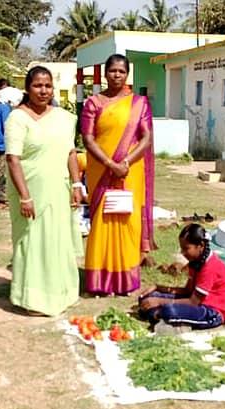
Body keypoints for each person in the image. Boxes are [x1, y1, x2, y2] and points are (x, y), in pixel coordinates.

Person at [4, 66, 83, 316]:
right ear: (27, 88)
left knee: (58, 239)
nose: (43, 90)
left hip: (58, 189)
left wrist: (76, 184)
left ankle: (63, 293)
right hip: (30, 192)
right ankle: (33, 299)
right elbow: (12, 159)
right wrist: (25, 196)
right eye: (38, 85)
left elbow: (70, 153)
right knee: (34, 243)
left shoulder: (63, 118)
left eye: (48, 85)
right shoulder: (17, 118)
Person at [81, 53, 156, 296]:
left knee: (127, 221)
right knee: (102, 221)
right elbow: (88, 138)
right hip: (101, 169)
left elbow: (146, 137)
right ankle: (100, 281)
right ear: (105, 73)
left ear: (127, 75)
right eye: (113, 71)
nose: (117, 75)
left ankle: (125, 281)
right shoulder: (93, 103)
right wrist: (110, 164)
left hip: (130, 171)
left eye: (121, 71)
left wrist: (124, 163)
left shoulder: (139, 103)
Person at [137, 224, 225, 332]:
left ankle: (158, 315)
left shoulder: (211, 266)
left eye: (186, 248)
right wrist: (157, 288)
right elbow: (187, 291)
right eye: (182, 248)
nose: (182, 253)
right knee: (147, 297)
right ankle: (158, 316)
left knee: (169, 310)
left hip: (212, 311)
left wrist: (159, 301)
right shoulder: (195, 261)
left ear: (200, 245)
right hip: (195, 302)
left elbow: (193, 302)